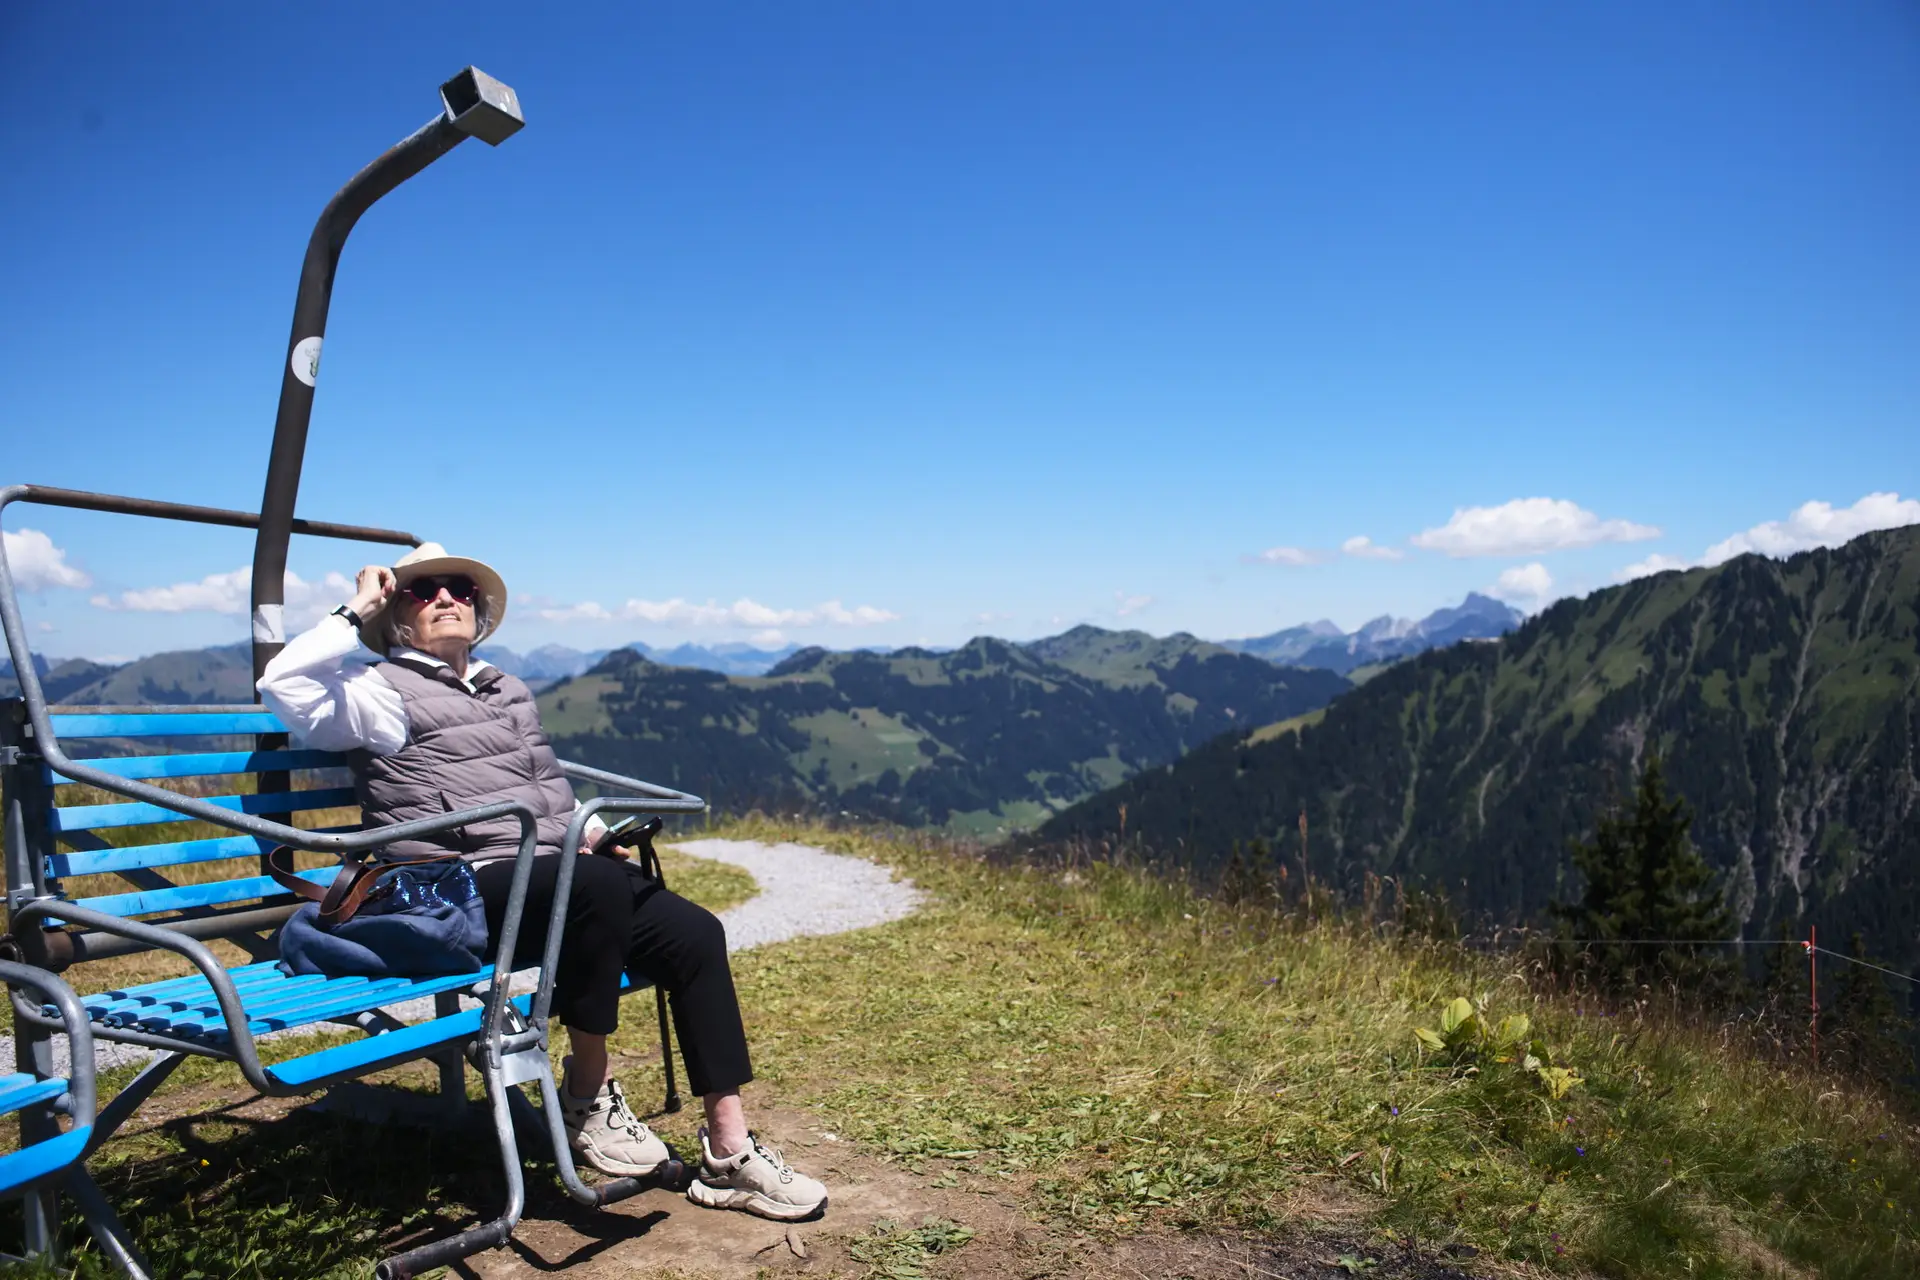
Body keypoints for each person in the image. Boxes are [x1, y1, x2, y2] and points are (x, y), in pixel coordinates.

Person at [257, 542, 826, 1222]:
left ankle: (729, 1152)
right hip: (455, 889)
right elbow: (282, 684)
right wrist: (357, 607)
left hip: (548, 879)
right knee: (592, 889)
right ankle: (589, 1093)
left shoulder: (507, 688)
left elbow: (546, 796)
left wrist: (588, 835)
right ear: (396, 614)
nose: (446, 598)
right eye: (422, 590)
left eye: (461, 589)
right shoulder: (375, 692)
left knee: (693, 933)